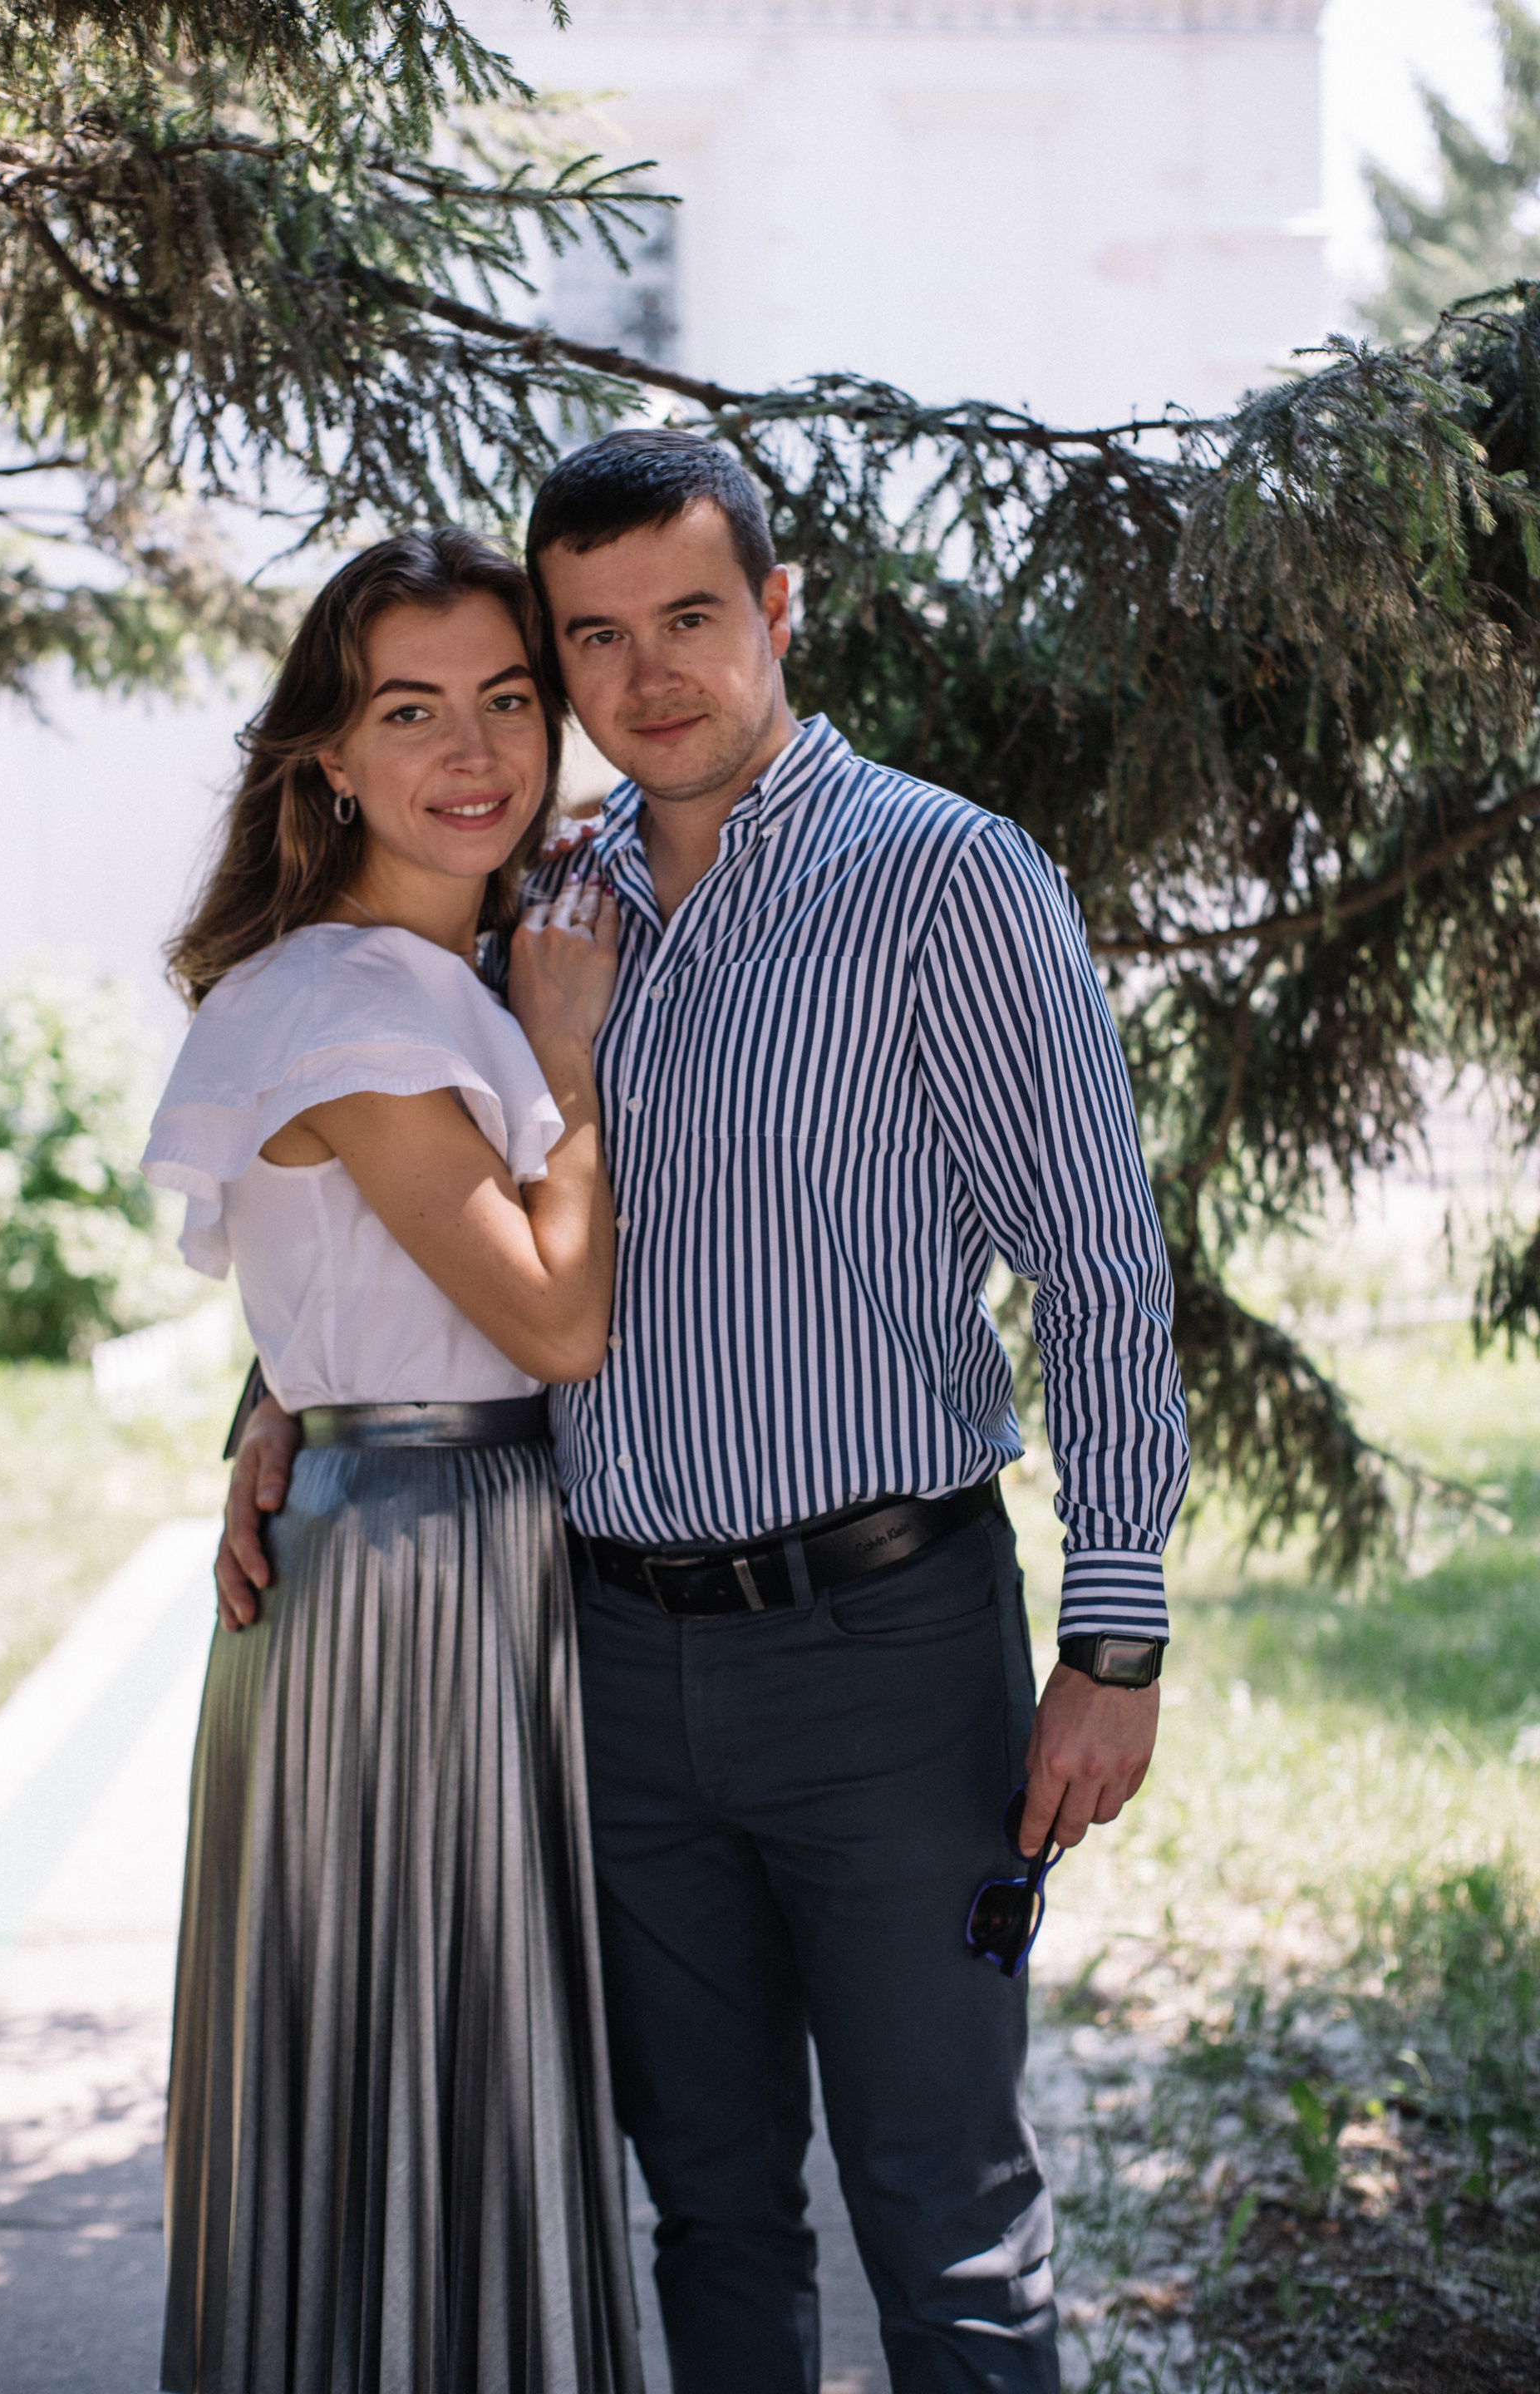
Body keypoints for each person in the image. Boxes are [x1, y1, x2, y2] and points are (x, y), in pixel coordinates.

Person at [219, 433, 1191, 2394]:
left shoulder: (944, 877)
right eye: (594, 637)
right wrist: (275, 1397)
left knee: (946, 2210)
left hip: (889, 1656)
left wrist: (1115, 1639)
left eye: (689, 615)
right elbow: (417, 1200)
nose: (648, 674)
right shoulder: (543, 900)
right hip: (608, 1669)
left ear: (778, 606)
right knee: (709, 2206)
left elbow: (1098, 1265)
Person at [142, 529, 643, 2394]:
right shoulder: (360, 1005)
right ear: (329, 757)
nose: (476, 749)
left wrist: (273, 1404)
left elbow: (339, 1294)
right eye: (410, 710)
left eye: (507, 698)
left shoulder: (438, 971)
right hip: (421, 1575)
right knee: (430, 2040)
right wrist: (573, 1070)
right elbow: (554, 1323)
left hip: (438, 1538)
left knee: (445, 2059)